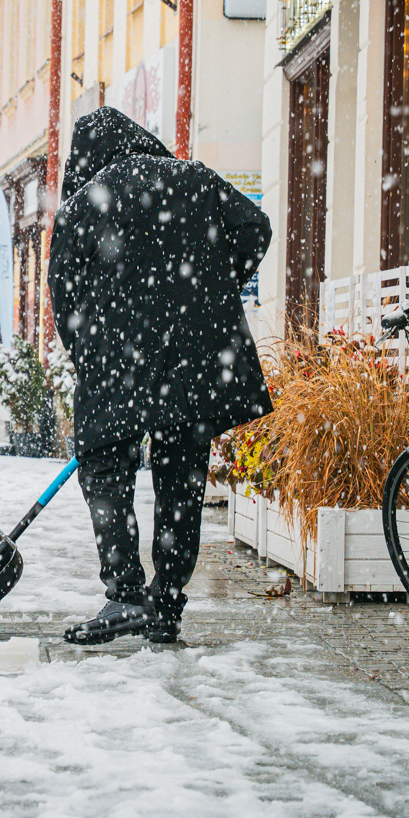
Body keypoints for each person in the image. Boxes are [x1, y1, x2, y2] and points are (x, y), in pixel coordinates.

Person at [50, 106, 273, 645]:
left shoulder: (83, 204)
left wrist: (92, 350)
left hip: (116, 361)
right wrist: (212, 287)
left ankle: (124, 592)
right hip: (194, 357)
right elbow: (256, 230)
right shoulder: (195, 180)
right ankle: (167, 602)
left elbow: (64, 296)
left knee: (105, 467)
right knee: (181, 474)